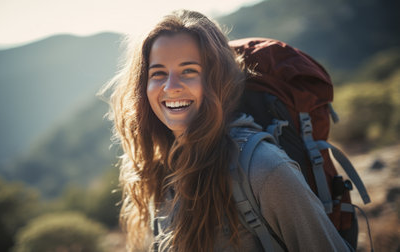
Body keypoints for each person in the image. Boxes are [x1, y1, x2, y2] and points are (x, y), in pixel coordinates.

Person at [102, 9, 352, 252]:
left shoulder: (263, 169)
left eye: (189, 71)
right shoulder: (161, 165)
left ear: (216, 79)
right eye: (158, 73)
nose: (171, 86)